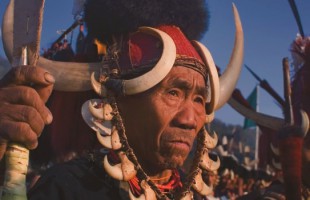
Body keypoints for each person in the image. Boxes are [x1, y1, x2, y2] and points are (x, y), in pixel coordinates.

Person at [0, 0, 244, 199]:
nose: (190, 119)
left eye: (200, 99)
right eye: (174, 93)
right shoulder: (68, 189)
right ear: (120, 103)